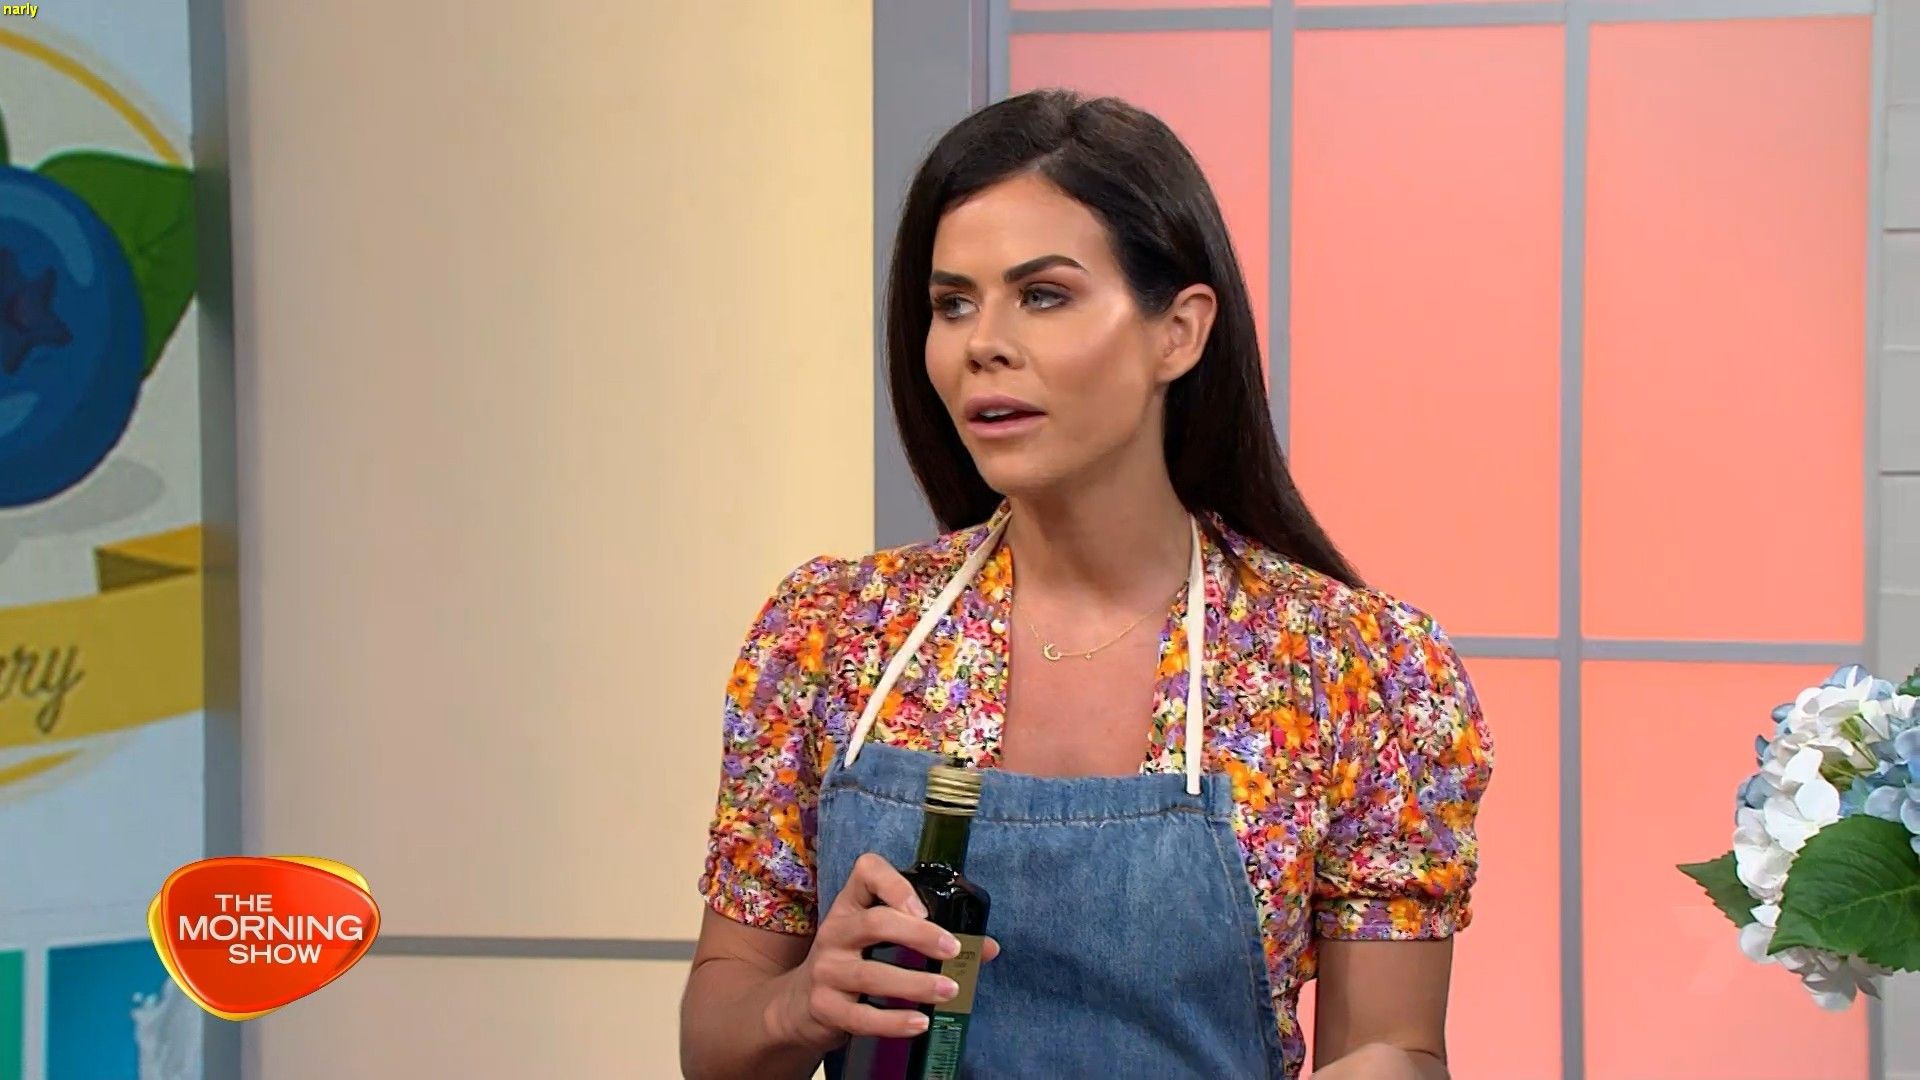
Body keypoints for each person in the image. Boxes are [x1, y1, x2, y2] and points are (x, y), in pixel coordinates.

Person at [679, 88, 1493, 1080]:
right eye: (952, 304)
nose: (982, 342)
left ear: (1179, 332)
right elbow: (715, 1045)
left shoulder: (1349, 669)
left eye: (1043, 295)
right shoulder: (833, 635)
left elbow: (1391, 1046)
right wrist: (799, 1002)